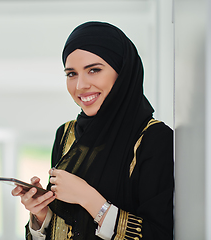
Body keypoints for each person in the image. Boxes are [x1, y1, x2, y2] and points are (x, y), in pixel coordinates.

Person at [11, 21, 174, 240]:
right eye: (71, 74)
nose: (80, 86)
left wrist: (89, 199)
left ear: (122, 72)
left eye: (94, 70)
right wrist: (41, 214)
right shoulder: (66, 135)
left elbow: (159, 234)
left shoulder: (153, 139)